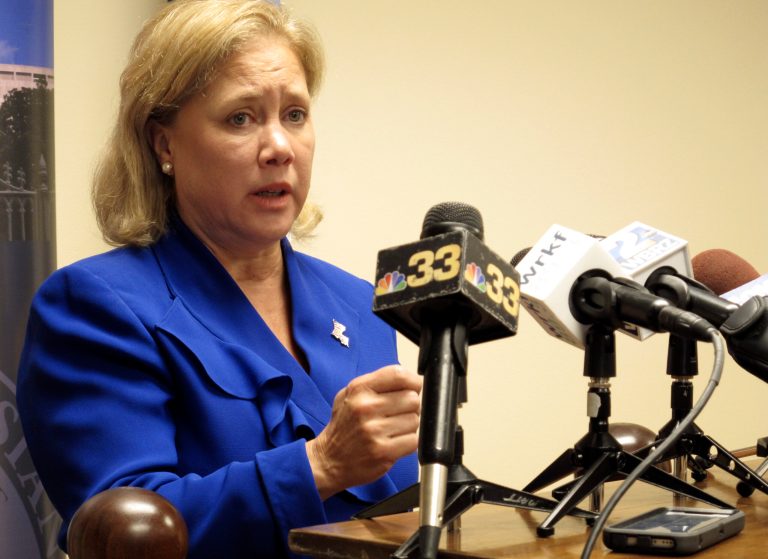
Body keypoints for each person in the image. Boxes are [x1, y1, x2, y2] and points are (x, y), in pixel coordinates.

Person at [17, 1, 421, 558]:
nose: (279, 147)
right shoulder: (93, 305)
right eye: (241, 118)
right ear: (164, 145)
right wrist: (320, 465)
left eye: (295, 115)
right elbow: (129, 533)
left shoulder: (358, 301)